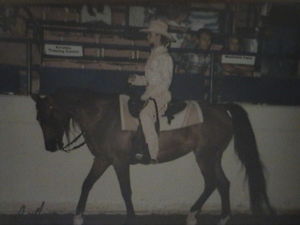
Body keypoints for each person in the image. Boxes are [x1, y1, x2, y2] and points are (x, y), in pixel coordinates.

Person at [128, 20, 174, 163]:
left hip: (160, 96)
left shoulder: (165, 58)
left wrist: (149, 96)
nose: (148, 36)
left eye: (150, 34)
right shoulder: (153, 55)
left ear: (159, 37)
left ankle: (152, 153)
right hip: (149, 93)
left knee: (145, 115)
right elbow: (149, 80)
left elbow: (165, 83)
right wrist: (135, 79)